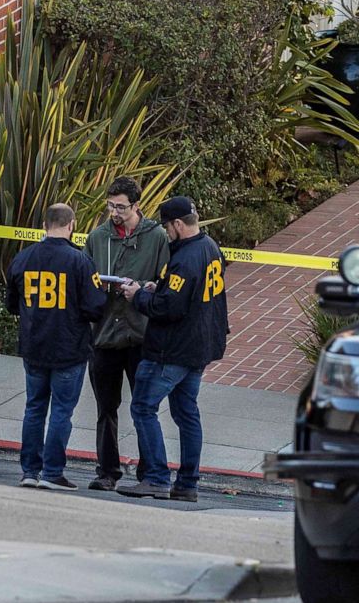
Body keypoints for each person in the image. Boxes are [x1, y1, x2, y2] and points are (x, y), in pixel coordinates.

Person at [116, 196, 229, 502]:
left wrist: (138, 296)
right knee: (186, 413)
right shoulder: (210, 248)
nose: (166, 232)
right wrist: (160, 286)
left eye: (167, 226)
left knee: (142, 407)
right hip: (200, 347)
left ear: (178, 224)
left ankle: (155, 478)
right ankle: (187, 483)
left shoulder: (185, 257)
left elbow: (169, 308)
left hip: (173, 350)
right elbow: (187, 293)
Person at [5, 203, 105, 491]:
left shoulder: (24, 258)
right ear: (72, 224)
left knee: (34, 409)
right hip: (68, 349)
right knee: (61, 411)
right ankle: (52, 472)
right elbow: (95, 308)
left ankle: (29, 471)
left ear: (44, 225)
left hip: (34, 347)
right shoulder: (80, 262)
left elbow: (12, 303)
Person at [83, 177, 169, 491]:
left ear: (136, 206)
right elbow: (84, 278)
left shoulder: (156, 237)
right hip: (105, 335)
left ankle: (149, 472)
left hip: (141, 334)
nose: (115, 212)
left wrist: (149, 288)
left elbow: (167, 280)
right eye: (111, 206)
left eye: (121, 207)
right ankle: (107, 471)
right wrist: (98, 289)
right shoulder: (98, 237)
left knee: (145, 406)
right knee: (106, 407)